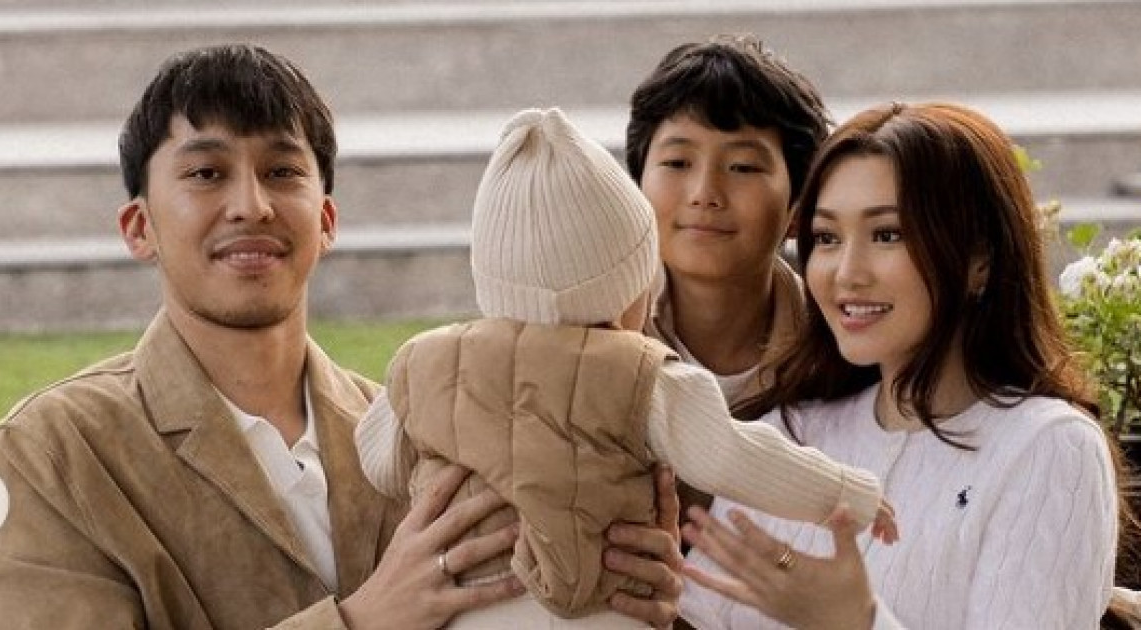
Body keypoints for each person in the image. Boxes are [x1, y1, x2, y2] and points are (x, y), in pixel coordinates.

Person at [0, 44, 682, 629]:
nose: (251, 205)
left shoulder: (426, 429)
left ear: (327, 221)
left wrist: (620, 590)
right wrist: (359, 623)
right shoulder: (51, 453)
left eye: (282, 171)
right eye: (207, 173)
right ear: (139, 227)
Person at [355, 107, 897, 629]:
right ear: (624, 290)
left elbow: (380, 462)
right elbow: (735, 456)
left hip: (464, 609)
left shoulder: (423, 362)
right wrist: (848, 495)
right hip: (602, 611)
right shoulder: (643, 376)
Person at [678, 102, 1121, 629]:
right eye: (827, 238)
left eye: (887, 234)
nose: (846, 273)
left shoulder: (1049, 448)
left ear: (980, 259)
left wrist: (858, 622)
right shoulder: (790, 433)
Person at [624, 34, 830, 516]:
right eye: (677, 162)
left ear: (798, 208)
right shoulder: (594, 335)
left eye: (742, 166)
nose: (705, 192)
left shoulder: (835, 351)